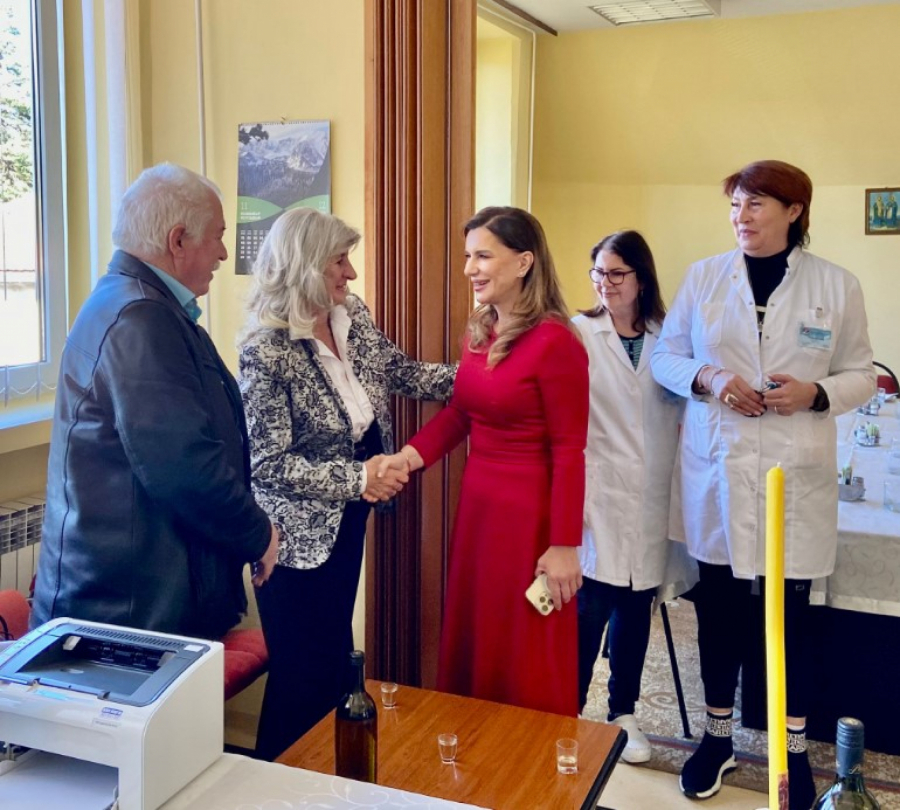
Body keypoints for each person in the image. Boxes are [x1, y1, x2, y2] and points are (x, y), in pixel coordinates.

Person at [651, 160, 875, 807]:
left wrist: (816, 393)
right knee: (719, 611)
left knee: (791, 621)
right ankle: (717, 738)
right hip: (719, 469)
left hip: (793, 475)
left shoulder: (835, 285)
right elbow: (666, 357)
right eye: (735, 206)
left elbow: (863, 373)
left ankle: (792, 751)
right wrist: (710, 378)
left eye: (754, 205)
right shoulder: (704, 277)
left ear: (793, 211)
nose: (740, 217)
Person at [238, 207, 456, 761]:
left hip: (348, 518)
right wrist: (360, 477)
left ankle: (331, 778)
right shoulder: (266, 349)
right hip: (292, 541)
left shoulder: (351, 314)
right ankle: (278, 782)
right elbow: (268, 465)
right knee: (301, 676)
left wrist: (485, 374)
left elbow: (402, 372)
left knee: (335, 659)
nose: (351, 273)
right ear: (306, 264)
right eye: (340, 260)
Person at [32, 163, 279, 640]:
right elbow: (184, 465)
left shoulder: (133, 302)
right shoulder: (141, 317)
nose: (224, 253)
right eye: (218, 236)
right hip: (126, 612)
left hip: (133, 599)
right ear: (178, 239)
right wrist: (259, 535)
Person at [376, 206, 589, 716]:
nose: (470, 268)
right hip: (479, 509)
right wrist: (407, 458)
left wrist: (564, 545)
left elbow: (570, 450)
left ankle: (527, 751)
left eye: (483, 256)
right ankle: (474, 741)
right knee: (481, 627)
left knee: (524, 642)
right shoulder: (480, 332)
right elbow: (461, 415)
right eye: (468, 256)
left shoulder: (557, 342)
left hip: (529, 517)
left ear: (524, 262)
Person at [572, 230, 684, 764]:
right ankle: (567, 708)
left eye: (617, 273)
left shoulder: (670, 337)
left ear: (642, 277)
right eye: (598, 272)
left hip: (652, 494)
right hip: (597, 490)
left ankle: (624, 712)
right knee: (588, 608)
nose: (606, 283)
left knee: (637, 607)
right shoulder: (579, 333)